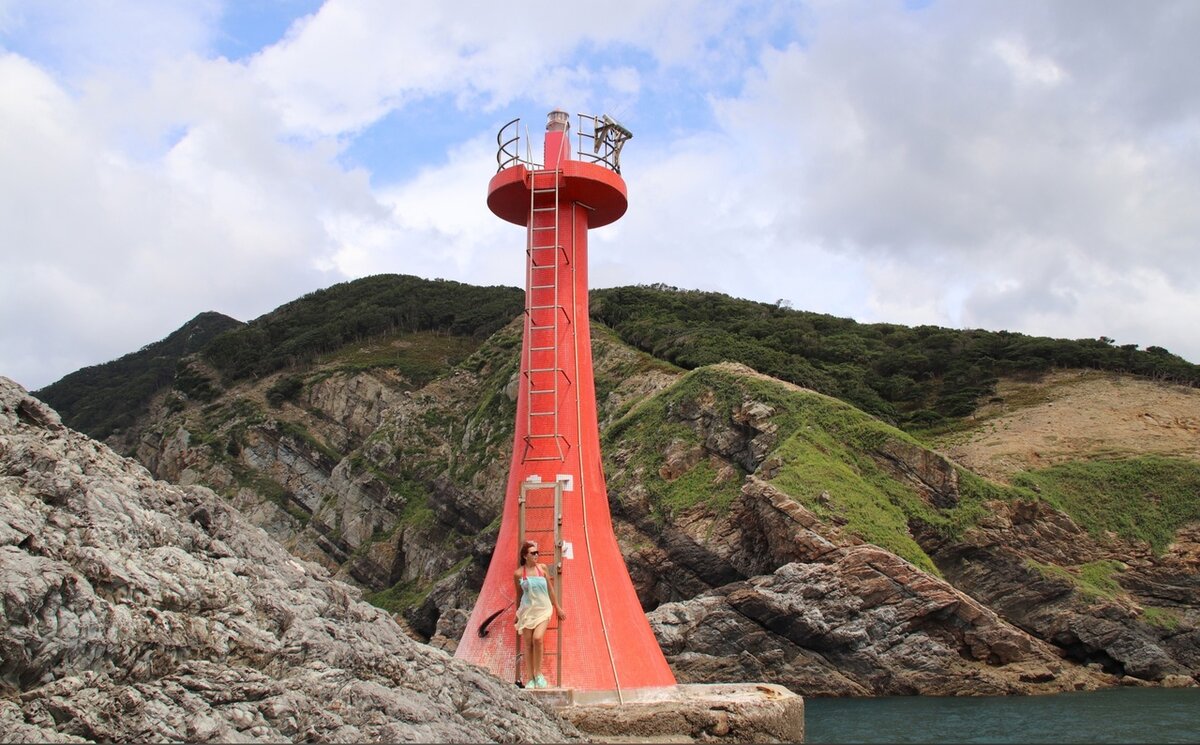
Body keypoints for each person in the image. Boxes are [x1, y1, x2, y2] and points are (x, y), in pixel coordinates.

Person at [513, 540, 565, 689]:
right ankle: (530, 678)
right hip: (527, 610)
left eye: (537, 552)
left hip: (544, 608)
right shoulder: (518, 573)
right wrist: (517, 614)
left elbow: (550, 589)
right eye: (533, 553)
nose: (536, 555)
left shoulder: (542, 568)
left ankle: (538, 673)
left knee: (537, 638)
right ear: (525, 556)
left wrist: (558, 607)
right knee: (528, 644)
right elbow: (519, 595)